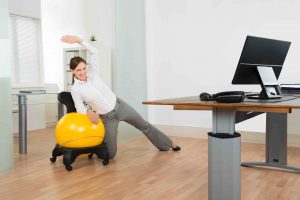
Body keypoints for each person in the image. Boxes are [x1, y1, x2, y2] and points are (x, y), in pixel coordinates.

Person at [61, 35, 181, 159]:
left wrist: (79, 40)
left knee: (144, 125)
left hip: (120, 106)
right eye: (78, 70)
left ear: (87, 67)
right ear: (73, 71)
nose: (82, 72)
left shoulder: (93, 73)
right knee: (110, 155)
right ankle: (102, 142)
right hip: (107, 118)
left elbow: (94, 51)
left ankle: (168, 143)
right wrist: (88, 111)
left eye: (83, 68)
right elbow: (79, 107)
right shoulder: (76, 89)